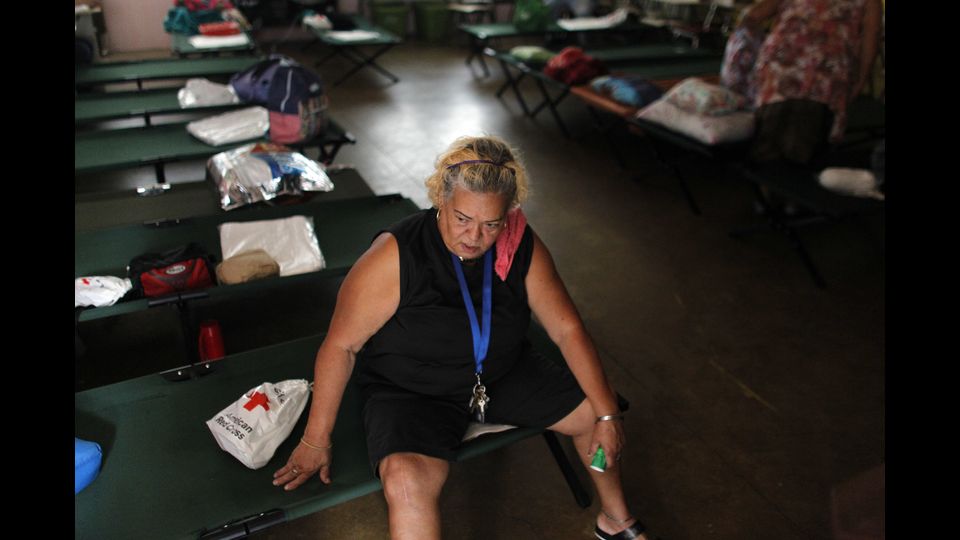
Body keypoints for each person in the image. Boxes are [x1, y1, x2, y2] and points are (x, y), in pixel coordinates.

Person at [272, 135, 656, 540]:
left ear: (508, 213)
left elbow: (566, 328)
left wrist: (608, 415)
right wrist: (316, 440)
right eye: (462, 219)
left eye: (491, 224)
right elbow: (341, 346)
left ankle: (615, 522)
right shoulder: (396, 255)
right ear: (441, 197)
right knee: (405, 481)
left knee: (594, 416)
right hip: (412, 390)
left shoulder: (518, 241)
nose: (474, 237)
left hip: (498, 373)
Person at [721, 0, 882, 163]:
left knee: (769, 133)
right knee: (811, 137)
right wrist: (861, 78)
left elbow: (753, 16)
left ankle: (766, 179)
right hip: (827, 68)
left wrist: (747, 49)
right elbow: (872, 34)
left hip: (781, 60)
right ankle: (798, 178)